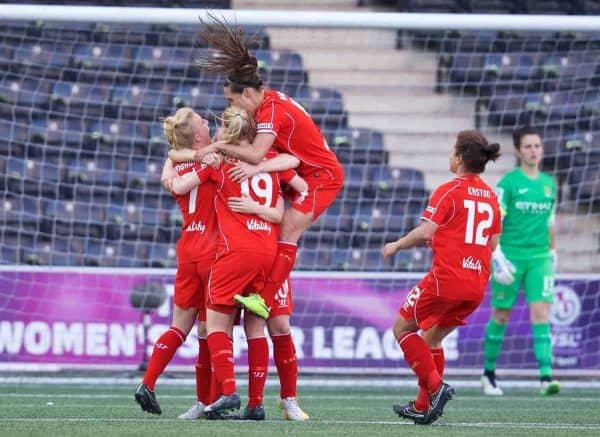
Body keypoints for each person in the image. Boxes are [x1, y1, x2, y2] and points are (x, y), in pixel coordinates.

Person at [168, 13, 344, 320]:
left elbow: (257, 154)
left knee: (288, 229)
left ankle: (263, 297)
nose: (233, 108)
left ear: (247, 93)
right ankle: (262, 292)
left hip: (322, 177)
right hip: (303, 171)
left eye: (232, 101)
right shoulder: (267, 104)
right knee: (278, 226)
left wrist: (225, 149)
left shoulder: (270, 113)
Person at [169, 105, 308, 420]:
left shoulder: (223, 162)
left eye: (219, 128)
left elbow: (178, 183)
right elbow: (301, 184)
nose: (216, 132)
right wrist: (280, 218)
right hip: (270, 255)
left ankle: (234, 393)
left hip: (236, 254)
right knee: (259, 326)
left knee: (219, 326)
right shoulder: (270, 160)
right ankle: (255, 404)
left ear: (228, 133)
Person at [383, 130, 502, 425]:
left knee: (402, 329)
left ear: (460, 158)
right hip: (476, 285)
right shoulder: (490, 197)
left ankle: (436, 388)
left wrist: (397, 245)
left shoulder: (449, 189)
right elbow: (493, 244)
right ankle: (423, 406)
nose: (450, 156)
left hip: (446, 279)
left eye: (452, 151)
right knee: (432, 338)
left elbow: (426, 231)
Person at [134, 107, 218, 417]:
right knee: (210, 331)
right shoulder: (213, 157)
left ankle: (148, 383)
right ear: (197, 135)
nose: (208, 121)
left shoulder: (178, 164)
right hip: (213, 251)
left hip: (187, 249)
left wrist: (173, 164)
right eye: (202, 120)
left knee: (179, 326)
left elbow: (171, 168)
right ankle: (207, 402)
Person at [481, 126, 559, 397]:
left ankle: (546, 377)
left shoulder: (550, 183)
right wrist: (497, 255)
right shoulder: (508, 184)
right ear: (518, 150)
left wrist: (553, 252)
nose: (533, 150)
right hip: (511, 257)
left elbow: (550, 221)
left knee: (541, 314)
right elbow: (495, 221)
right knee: (501, 315)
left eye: (537, 145)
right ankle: (488, 374)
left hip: (540, 258)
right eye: (528, 146)